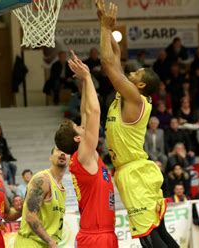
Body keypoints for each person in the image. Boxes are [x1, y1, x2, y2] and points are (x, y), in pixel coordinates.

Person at [96, 1, 178, 247]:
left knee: (149, 238)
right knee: (158, 231)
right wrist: (107, 28)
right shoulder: (128, 94)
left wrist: (102, 27)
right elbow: (115, 57)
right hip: (136, 171)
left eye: (136, 74)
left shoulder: (133, 97)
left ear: (140, 85)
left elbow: (108, 64)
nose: (131, 73)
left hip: (135, 174)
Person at [54, 51, 117, 247]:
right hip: (96, 236)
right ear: (77, 137)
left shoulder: (83, 153)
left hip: (101, 233)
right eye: (78, 127)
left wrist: (83, 80)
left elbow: (85, 112)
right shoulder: (84, 155)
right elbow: (94, 111)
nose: (83, 125)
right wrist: (89, 77)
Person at [14, 146, 68, 248]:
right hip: (30, 243)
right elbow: (30, 217)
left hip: (46, 244)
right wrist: (51, 241)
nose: (62, 153)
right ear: (50, 158)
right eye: (58, 150)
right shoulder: (42, 179)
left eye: (65, 151)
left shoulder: (62, 188)